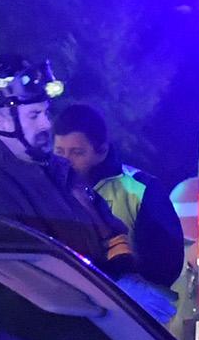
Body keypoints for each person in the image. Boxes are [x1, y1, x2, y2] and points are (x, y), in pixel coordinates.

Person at [0, 55, 139, 279]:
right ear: (1, 121)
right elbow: (27, 284)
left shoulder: (59, 172)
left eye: (46, 112)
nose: (47, 124)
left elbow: (109, 233)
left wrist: (124, 275)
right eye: (34, 115)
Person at [52, 102, 185, 303]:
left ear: (102, 151)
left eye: (77, 153)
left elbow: (166, 266)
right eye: (59, 152)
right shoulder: (45, 188)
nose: (66, 161)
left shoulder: (140, 189)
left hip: (127, 310)